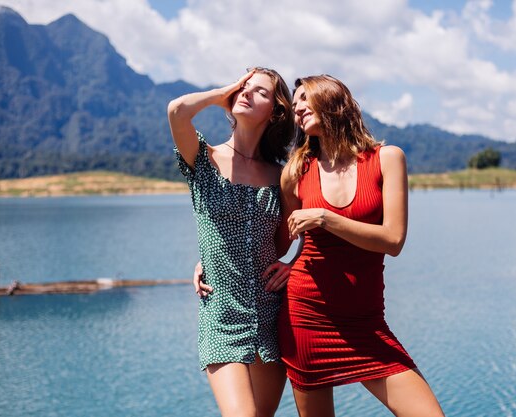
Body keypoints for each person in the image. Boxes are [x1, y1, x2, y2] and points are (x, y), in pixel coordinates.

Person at [278, 75, 445, 417]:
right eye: (294, 107)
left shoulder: (387, 159)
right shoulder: (296, 171)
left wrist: (326, 218)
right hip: (306, 314)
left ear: (331, 99)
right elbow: (280, 240)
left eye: (304, 100)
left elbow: (393, 240)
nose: (298, 110)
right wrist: (210, 261)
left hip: (366, 321)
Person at [167, 67, 295, 417]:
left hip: (272, 315)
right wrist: (224, 91)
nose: (246, 93)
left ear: (276, 111)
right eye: (243, 87)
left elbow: (285, 242)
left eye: (260, 92)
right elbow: (177, 110)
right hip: (221, 315)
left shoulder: (280, 175)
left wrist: (293, 267)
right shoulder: (204, 159)